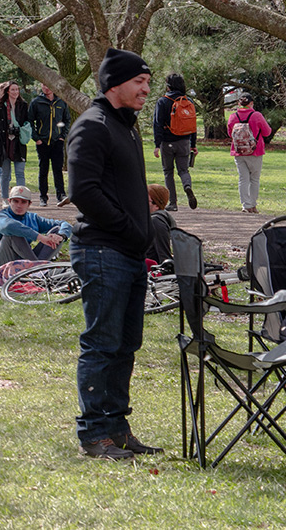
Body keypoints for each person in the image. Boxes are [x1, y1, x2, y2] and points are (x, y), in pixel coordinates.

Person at [68, 47, 160, 461]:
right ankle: (94, 434)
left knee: (125, 344)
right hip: (102, 251)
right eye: (139, 82)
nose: (146, 89)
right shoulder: (93, 125)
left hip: (128, 253)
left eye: (147, 81)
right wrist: (127, 227)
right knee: (102, 344)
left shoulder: (127, 127)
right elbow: (83, 191)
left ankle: (118, 428)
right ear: (114, 85)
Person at [0, 185, 71, 266]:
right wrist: (39, 237)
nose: (19, 205)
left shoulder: (33, 218)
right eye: (15, 201)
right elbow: (9, 226)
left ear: (29, 204)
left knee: (57, 230)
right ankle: (38, 270)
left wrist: (61, 236)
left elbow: (65, 224)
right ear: (9, 201)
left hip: (25, 261)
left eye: (23, 202)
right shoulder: (0, 216)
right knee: (14, 234)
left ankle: (38, 269)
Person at [149, 74, 198, 210]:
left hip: (167, 142)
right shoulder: (188, 101)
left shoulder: (163, 101)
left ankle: (173, 203)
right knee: (183, 170)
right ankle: (187, 186)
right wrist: (193, 145)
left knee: (168, 172)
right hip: (184, 142)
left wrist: (157, 145)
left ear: (168, 86)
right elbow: (192, 125)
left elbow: (157, 124)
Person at [228, 90, 273, 213]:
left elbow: (229, 133)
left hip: (238, 152)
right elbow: (267, 132)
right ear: (251, 103)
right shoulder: (256, 116)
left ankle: (245, 205)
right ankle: (252, 205)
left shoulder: (233, 116)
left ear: (239, 103)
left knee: (243, 179)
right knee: (254, 179)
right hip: (255, 151)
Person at [29, 81, 72, 205]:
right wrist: (36, 138)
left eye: (48, 85)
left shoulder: (61, 102)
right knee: (43, 169)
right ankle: (43, 197)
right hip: (42, 142)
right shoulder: (36, 102)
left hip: (57, 142)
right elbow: (30, 122)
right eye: (43, 85)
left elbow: (66, 120)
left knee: (58, 169)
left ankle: (61, 195)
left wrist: (62, 136)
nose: (46, 87)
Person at [0, 82, 28, 196]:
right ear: (7, 91)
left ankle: (21, 197)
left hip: (18, 141)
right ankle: (5, 198)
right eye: (13, 90)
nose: (15, 92)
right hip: (4, 142)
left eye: (17, 89)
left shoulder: (23, 105)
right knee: (5, 173)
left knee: (20, 172)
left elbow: (26, 121)